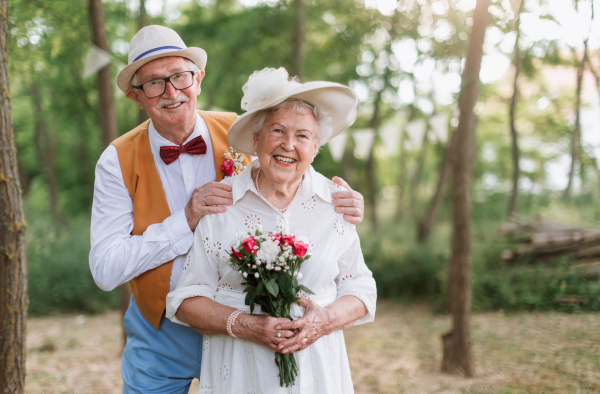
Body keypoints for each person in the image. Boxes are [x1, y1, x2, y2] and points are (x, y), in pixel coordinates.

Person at [89, 26, 365, 393]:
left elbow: (293, 162)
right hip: (162, 331)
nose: (172, 91)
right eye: (154, 83)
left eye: (180, 76)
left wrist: (342, 198)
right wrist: (185, 221)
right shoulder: (116, 160)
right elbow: (106, 270)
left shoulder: (244, 131)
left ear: (198, 79)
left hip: (249, 323)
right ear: (136, 97)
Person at [166, 67, 376, 393]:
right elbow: (185, 300)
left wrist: (324, 322)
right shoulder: (221, 204)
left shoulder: (337, 204)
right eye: (277, 131)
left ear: (316, 145)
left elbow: (362, 291)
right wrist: (246, 325)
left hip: (317, 374)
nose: (288, 145)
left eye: (303, 135)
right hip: (239, 374)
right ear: (256, 138)